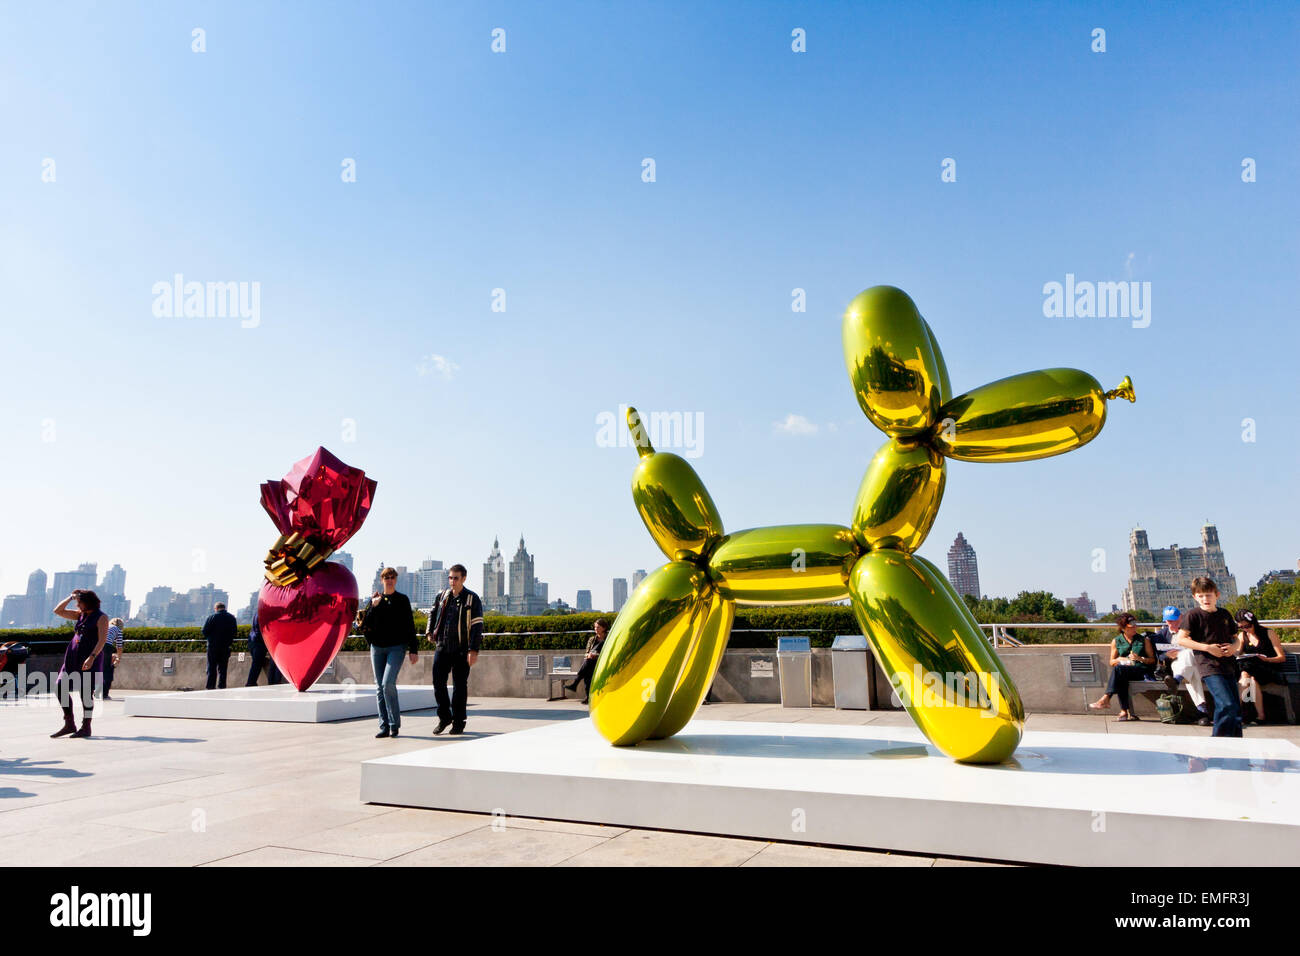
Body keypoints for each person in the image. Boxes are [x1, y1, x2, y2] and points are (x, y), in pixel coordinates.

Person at [1174, 577, 1243, 737]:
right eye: (1201, 595)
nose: (1205, 599)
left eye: (1209, 595)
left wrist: (1233, 647)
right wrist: (1207, 648)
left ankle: (1236, 742)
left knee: (1234, 708)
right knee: (1226, 704)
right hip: (1209, 666)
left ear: (1217, 595)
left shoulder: (1224, 613)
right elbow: (1181, 639)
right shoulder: (1193, 615)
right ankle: (1217, 741)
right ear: (1195, 597)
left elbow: (1236, 637)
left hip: (1229, 665)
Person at [359, 567, 418, 738]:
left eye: (392, 577)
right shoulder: (375, 600)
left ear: (396, 580)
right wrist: (374, 606)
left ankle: (394, 724)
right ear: (382, 580)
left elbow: (410, 626)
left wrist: (413, 649)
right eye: (386, 577)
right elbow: (364, 624)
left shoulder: (402, 600)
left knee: (387, 684)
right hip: (377, 648)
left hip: (396, 647)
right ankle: (384, 726)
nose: (389, 580)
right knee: (379, 688)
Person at [425, 564, 483, 735]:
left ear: (463, 578)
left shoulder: (472, 599)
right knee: (438, 684)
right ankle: (444, 717)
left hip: (461, 649)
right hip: (442, 647)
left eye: (456, 578)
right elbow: (432, 613)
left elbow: (477, 626)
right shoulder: (442, 596)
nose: (452, 581)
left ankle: (459, 722)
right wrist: (429, 632)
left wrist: (473, 650)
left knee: (459, 687)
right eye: (450, 577)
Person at [50, 589, 108, 739]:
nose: (78, 605)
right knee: (59, 686)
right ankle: (69, 724)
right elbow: (58, 610)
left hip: (89, 658)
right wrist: (70, 597)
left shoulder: (101, 617)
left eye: (79, 602)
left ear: (88, 602)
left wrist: (92, 657)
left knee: (86, 693)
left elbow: (102, 640)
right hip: (72, 657)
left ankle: (86, 726)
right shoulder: (80, 615)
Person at [1089, 612, 1156, 720]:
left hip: (1141, 671)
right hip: (1125, 670)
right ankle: (1123, 711)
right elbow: (1111, 661)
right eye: (1131, 627)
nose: (1135, 628)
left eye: (1135, 625)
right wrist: (1119, 659)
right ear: (1123, 628)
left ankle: (1108, 699)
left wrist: (1140, 658)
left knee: (1119, 671)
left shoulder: (1144, 640)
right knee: (1120, 672)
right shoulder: (1116, 641)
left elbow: (1152, 660)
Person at [1160, 606, 1210, 726]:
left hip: (1194, 663)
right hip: (1175, 664)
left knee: (1188, 655)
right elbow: (1158, 655)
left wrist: (1191, 642)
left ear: (1181, 618)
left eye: (1174, 620)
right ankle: (1202, 711)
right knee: (1192, 672)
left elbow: (1203, 648)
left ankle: (1176, 681)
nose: (1171, 623)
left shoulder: (1191, 631)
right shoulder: (1162, 634)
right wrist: (1166, 655)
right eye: (1168, 621)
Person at [1235, 609, 1285, 725]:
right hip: (1251, 671)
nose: (1245, 629)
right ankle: (1260, 716)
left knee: (1246, 674)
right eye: (1241, 627)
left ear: (1254, 622)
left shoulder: (1268, 633)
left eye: (1247, 626)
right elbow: (1237, 653)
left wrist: (1266, 659)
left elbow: (1281, 657)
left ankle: (1235, 713)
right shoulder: (1243, 636)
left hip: (1269, 668)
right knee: (1248, 677)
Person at [564, 618, 608, 704]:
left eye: (598, 627)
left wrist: (597, 655)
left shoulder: (608, 639)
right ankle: (587, 696)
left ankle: (575, 684)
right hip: (591, 661)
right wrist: (589, 655)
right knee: (588, 669)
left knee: (587, 664)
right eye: (595, 627)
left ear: (604, 628)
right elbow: (587, 653)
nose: (596, 629)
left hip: (602, 662)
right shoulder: (592, 639)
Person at [244, 600, 283, 687]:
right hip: (259, 643)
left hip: (253, 641)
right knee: (257, 664)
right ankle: (251, 682)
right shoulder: (263, 615)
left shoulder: (257, 613)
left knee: (257, 663)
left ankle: (252, 682)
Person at [201, 602, 238, 690]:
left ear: (216, 608)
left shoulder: (212, 617)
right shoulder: (232, 618)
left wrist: (211, 638)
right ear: (224, 608)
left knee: (212, 668)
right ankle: (222, 686)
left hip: (213, 647)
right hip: (225, 647)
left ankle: (210, 686)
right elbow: (234, 632)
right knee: (223, 668)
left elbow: (204, 631)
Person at [100, 617, 125, 700]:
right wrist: (118, 658)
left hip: (96, 646)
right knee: (108, 670)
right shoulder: (118, 629)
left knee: (98, 669)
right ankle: (104, 694)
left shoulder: (106, 626)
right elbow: (119, 646)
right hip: (106, 647)